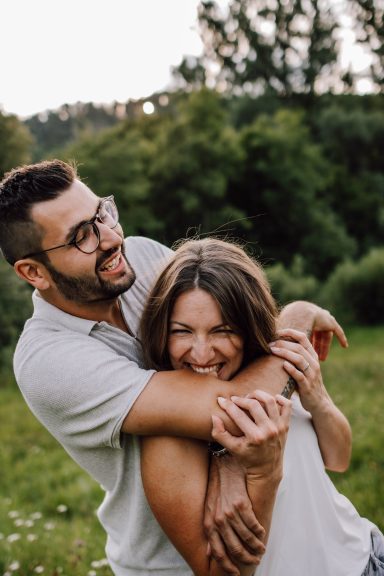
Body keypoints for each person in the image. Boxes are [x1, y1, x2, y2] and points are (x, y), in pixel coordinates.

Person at [0, 159, 348, 575]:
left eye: (103, 214)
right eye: (81, 237)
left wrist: (228, 465)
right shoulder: (47, 359)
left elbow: (238, 341)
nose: (110, 238)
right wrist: (297, 318)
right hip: (178, 559)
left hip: (310, 537)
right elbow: (233, 404)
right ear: (33, 271)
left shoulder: (144, 259)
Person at [139, 237, 384, 576]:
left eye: (222, 330)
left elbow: (339, 459)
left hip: (367, 554)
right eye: (182, 331)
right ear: (160, 332)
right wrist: (246, 466)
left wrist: (317, 397)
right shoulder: (169, 435)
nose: (200, 353)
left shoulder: (273, 369)